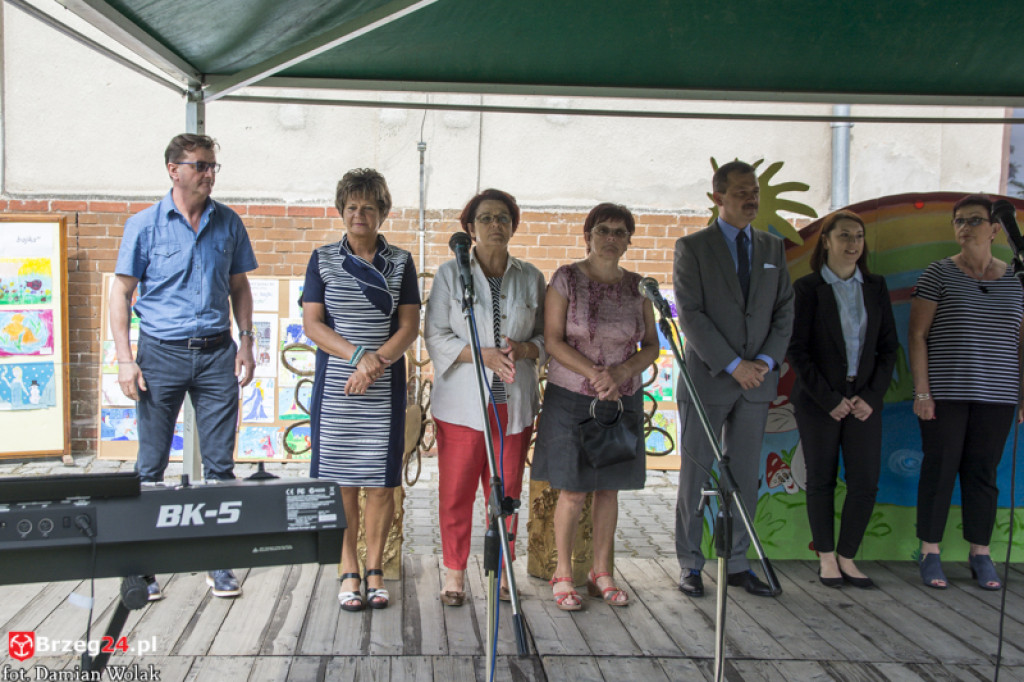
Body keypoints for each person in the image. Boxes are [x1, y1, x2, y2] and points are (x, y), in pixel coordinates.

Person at [110, 133, 257, 601]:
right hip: (160, 354)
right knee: (150, 467)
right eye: (200, 165)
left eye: (214, 165)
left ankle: (218, 564)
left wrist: (247, 341)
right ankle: (141, 568)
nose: (209, 173)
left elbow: (239, 288)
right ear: (174, 170)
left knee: (219, 467)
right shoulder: (144, 226)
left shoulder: (229, 224)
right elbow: (121, 293)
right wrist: (125, 359)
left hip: (217, 354)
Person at [673, 160, 795, 598]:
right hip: (710, 378)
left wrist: (762, 361)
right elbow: (690, 313)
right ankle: (690, 563)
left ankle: (738, 563)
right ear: (717, 197)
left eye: (755, 191)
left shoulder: (772, 249)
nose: (751, 199)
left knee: (744, 476)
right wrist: (732, 364)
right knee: (696, 476)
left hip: (757, 381)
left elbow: (784, 311)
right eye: (742, 191)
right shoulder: (693, 247)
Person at [301, 168, 420, 611]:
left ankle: (375, 569)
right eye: (351, 207)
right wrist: (357, 357)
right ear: (341, 211)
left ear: (383, 212)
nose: (359, 215)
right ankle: (349, 566)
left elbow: (409, 327)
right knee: (342, 484)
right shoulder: (322, 259)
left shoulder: (402, 262)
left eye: (368, 207)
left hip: (384, 383)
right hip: (337, 385)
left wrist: (375, 364)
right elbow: (313, 324)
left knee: (382, 485)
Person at [531, 202, 659, 610]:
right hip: (572, 398)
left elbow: (652, 345)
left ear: (628, 241)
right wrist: (597, 372)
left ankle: (602, 572)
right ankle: (563, 574)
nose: (610, 238)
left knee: (609, 491)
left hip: (622, 401)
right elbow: (552, 341)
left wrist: (621, 374)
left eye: (620, 232)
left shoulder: (639, 287)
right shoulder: (566, 278)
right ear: (587, 235)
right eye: (602, 230)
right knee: (572, 490)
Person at [423, 189, 546, 606]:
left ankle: (505, 568)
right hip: (461, 407)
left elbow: (548, 338)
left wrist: (527, 349)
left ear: (513, 226)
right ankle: (454, 574)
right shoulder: (448, 274)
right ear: (470, 229)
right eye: (486, 218)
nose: (496, 225)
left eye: (503, 218)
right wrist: (483, 355)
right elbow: (435, 335)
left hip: (512, 405)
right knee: (456, 493)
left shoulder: (531, 276)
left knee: (507, 492)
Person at [909, 194, 1023, 591]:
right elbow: (918, 336)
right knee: (939, 471)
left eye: (974, 220)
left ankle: (980, 553)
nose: (964, 227)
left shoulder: (1017, 278)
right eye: (958, 221)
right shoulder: (938, 274)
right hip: (946, 393)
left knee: (983, 474)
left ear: (995, 229)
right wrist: (922, 392)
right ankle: (930, 551)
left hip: (999, 395)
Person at [788, 210, 898, 589]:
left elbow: (888, 349)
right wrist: (830, 398)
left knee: (865, 480)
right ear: (826, 241)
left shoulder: (876, 286)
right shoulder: (807, 288)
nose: (853, 244)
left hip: (864, 400)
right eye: (845, 236)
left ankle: (848, 556)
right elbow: (797, 351)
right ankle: (826, 557)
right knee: (821, 479)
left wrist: (870, 396)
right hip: (820, 400)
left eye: (859, 237)